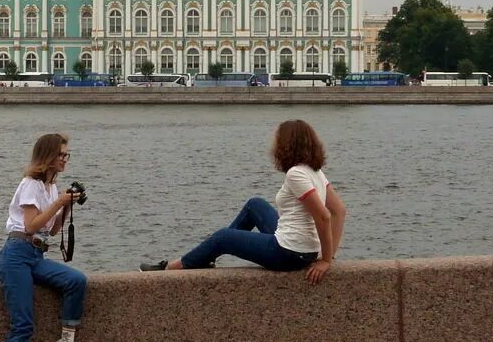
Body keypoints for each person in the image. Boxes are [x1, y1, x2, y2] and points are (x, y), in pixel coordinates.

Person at [141, 119, 347, 284]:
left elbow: (324, 216)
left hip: (288, 254)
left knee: (223, 237)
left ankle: (172, 268)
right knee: (254, 204)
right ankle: (207, 257)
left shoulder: (296, 174)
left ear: (286, 145)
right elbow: (340, 211)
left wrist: (326, 260)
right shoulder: (315, 171)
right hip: (301, 249)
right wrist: (328, 254)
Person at [0, 132, 87, 342]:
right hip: (16, 256)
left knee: (77, 281)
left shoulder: (50, 187)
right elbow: (31, 225)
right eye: (61, 154)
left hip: (35, 256)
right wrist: (60, 202)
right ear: (47, 156)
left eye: (67, 154)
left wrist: (67, 203)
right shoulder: (30, 185)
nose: (65, 159)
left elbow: (53, 230)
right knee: (23, 324)